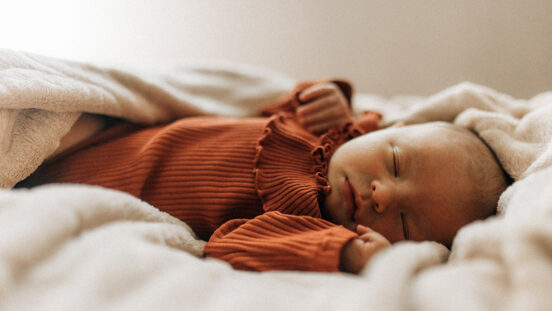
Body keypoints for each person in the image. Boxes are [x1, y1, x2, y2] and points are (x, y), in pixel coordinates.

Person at [17, 80, 508, 274]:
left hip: (78, 183)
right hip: (104, 136)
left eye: (404, 223)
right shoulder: (333, 131)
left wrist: (340, 252)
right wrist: (325, 99)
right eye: (397, 164)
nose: (383, 194)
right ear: (388, 130)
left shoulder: (312, 222)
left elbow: (229, 244)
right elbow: (263, 107)